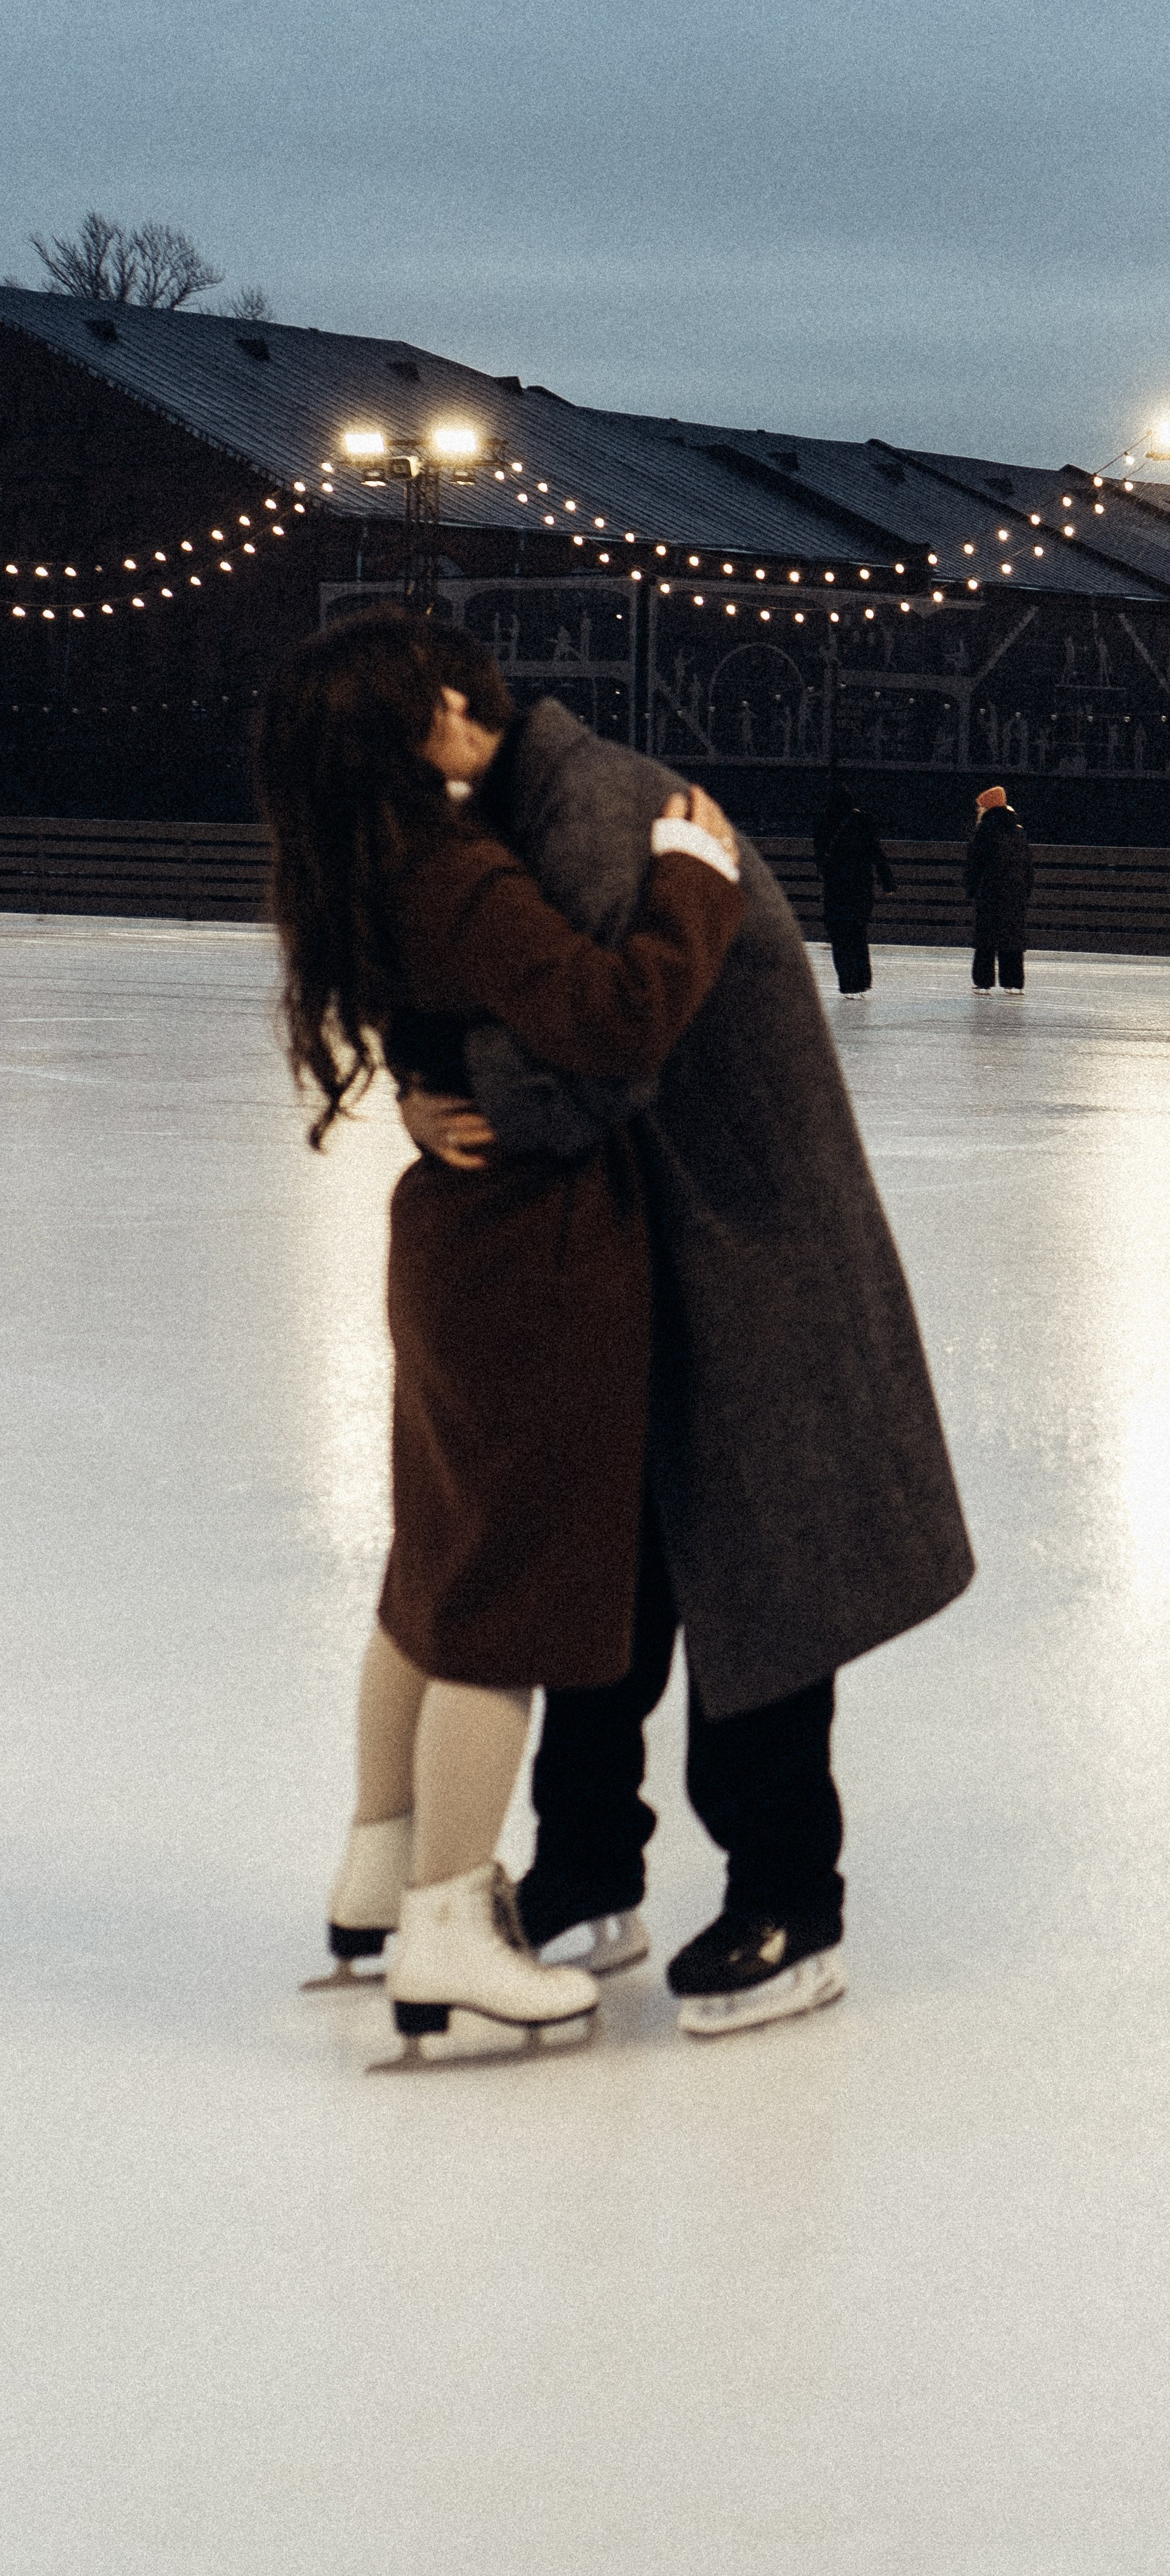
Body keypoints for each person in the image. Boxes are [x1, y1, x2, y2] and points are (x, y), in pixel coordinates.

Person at [393, 626, 976, 2037]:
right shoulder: (532, 810)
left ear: (458, 720)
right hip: (648, 1243)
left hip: (748, 1245)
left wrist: (452, 1095)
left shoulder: (597, 817)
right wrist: (427, 1085)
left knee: (757, 1587)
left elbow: (598, 1045)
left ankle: (792, 1898)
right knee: (614, 1571)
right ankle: (590, 1868)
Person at [260, 609, 746, 2056]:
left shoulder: (361, 873)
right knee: (505, 1604)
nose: (485, 715)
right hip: (532, 1259)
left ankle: (379, 1857)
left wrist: (420, 1092)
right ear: (425, 736)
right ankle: (451, 1925)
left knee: (434, 1567)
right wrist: (692, 880)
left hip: (449, 1245)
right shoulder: (461, 874)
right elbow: (611, 1015)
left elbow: (436, 1032)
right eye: (458, 705)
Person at [814, 782, 895, 995]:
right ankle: (862, 981)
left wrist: (826, 873)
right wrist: (887, 882)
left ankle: (847, 983)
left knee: (839, 938)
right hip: (861, 888)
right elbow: (877, 853)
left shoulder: (823, 821)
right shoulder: (863, 821)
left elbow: (819, 855)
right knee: (858, 934)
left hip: (835, 890)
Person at [965, 784, 1033, 992]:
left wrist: (971, 888)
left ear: (988, 807)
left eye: (980, 806)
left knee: (986, 938)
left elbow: (975, 863)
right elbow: (1027, 865)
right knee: (1012, 936)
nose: (978, 810)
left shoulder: (983, 830)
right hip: (1014, 892)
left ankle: (984, 981)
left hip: (990, 892)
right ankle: (1013, 982)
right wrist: (1025, 890)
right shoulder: (1018, 832)